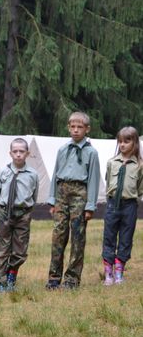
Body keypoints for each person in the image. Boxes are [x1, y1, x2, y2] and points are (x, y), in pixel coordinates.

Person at [46, 112, 100, 290]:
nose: (76, 130)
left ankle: (72, 279)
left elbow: (93, 180)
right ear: (68, 127)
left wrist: (90, 206)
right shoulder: (62, 150)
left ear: (87, 129)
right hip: (62, 192)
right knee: (58, 235)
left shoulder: (91, 153)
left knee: (77, 236)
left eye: (80, 127)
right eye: (73, 127)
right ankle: (54, 278)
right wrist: (52, 200)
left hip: (79, 193)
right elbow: (55, 174)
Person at [0, 138, 40, 292]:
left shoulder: (33, 174)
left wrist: (27, 211)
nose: (18, 154)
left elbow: (34, 195)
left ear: (27, 153)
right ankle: (1, 281)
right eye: (15, 151)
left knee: (20, 251)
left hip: (23, 213)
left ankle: (11, 275)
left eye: (22, 151)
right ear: (10, 153)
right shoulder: (3, 172)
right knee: (3, 248)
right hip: (5, 212)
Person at [101, 126, 143, 285]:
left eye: (127, 141)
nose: (122, 144)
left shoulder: (140, 165)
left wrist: (132, 198)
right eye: (120, 141)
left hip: (129, 205)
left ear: (135, 143)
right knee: (109, 236)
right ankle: (108, 273)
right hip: (113, 204)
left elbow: (140, 187)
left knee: (126, 238)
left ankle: (119, 272)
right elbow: (108, 183)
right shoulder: (111, 162)